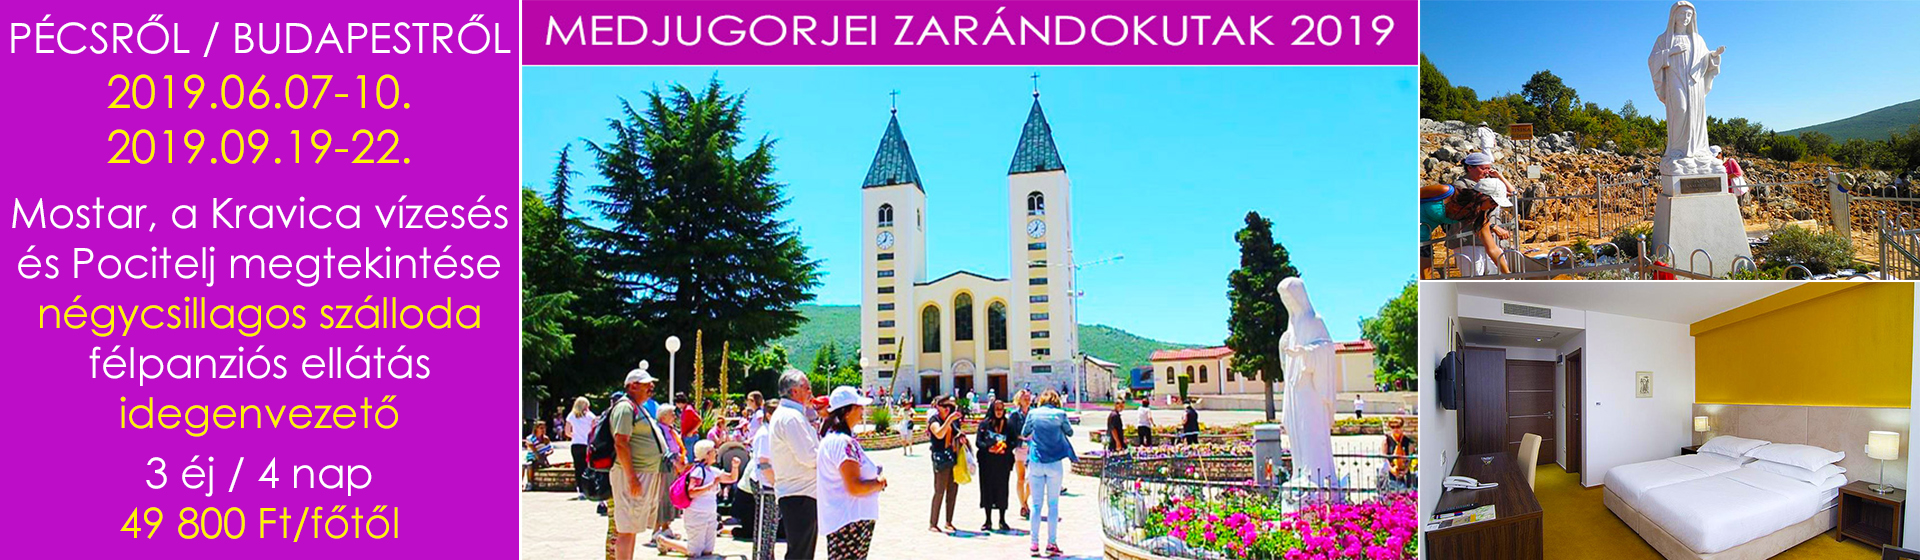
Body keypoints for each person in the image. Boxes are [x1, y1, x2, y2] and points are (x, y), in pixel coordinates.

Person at [610, 365, 677, 560]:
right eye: (647, 385)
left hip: (643, 473)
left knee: (632, 527)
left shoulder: (638, 407)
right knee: (626, 528)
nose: (651, 388)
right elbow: (621, 443)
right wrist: (632, 478)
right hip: (632, 474)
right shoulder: (625, 408)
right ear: (633, 386)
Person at [818, 386, 887, 560]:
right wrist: (879, 483)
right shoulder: (843, 443)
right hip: (850, 523)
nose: (862, 411)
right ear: (847, 411)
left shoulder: (835, 440)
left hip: (849, 521)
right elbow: (854, 486)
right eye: (858, 407)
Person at [769, 368, 822, 560]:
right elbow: (808, 457)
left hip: (800, 493)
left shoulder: (791, 415)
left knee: (801, 552)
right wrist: (829, 457)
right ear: (794, 391)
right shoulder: (791, 417)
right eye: (807, 388)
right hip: (800, 494)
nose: (810, 392)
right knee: (800, 554)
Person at [1022, 390, 1076, 558]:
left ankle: (1034, 544)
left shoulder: (1033, 414)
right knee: (1053, 505)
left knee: (1036, 505)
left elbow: (1025, 432)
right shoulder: (1060, 414)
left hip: (1036, 461)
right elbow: (1070, 432)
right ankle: (1051, 543)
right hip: (1054, 462)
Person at [1443, 152, 1516, 276]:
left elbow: (1512, 193)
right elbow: (1470, 213)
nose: (1487, 171)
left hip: (1489, 237)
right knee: (1474, 274)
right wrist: (1493, 227)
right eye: (1483, 168)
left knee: (1496, 272)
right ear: (1470, 168)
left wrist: (1499, 176)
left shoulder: (1489, 183)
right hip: (1468, 239)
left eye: (1488, 168)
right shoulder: (1460, 186)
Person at [683, 439, 743, 559]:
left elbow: (731, 478)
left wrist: (735, 467)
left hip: (710, 514)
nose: (716, 452)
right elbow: (692, 492)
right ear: (706, 454)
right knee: (695, 552)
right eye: (713, 451)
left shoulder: (713, 471)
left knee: (707, 551)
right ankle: (666, 542)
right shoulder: (698, 471)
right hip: (697, 514)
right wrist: (711, 485)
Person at [976, 399, 1016, 532]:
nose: (999, 412)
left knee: (1002, 489)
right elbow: (978, 442)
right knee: (987, 489)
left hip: (1003, 463)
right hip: (987, 463)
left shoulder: (1008, 425)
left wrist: (1005, 448)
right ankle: (988, 520)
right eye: (996, 409)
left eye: (1001, 409)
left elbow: (1013, 441)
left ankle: (1002, 520)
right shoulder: (985, 424)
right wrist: (989, 448)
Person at [653, 407, 689, 552]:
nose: (675, 416)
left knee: (670, 496)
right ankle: (658, 529)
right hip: (665, 467)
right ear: (663, 416)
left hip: (674, 468)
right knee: (663, 497)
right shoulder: (659, 430)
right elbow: (664, 450)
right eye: (671, 414)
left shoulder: (671, 430)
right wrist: (676, 463)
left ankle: (665, 526)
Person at [926, 395, 962, 533]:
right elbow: (939, 434)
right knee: (939, 490)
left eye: (949, 406)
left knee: (952, 490)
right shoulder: (934, 420)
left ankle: (949, 521)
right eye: (944, 406)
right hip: (940, 458)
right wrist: (949, 420)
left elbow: (956, 434)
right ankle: (933, 523)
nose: (947, 409)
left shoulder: (953, 421)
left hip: (953, 457)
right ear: (937, 407)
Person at [749, 402, 781, 560]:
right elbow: (764, 463)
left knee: (771, 528)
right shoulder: (765, 434)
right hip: (766, 485)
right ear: (769, 415)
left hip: (771, 485)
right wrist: (776, 484)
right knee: (765, 527)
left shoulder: (772, 432)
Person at [1009, 390, 1033, 520]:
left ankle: (1025, 501)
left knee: (1032, 478)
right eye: (1025, 398)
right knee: (1021, 478)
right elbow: (1010, 431)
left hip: (1033, 447)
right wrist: (1021, 437)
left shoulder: (1033, 413)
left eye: (1029, 398)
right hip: (1020, 447)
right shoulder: (1014, 415)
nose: (1027, 401)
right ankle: (1023, 505)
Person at [568, 396, 597, 499]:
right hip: (587, 444)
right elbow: (594, 430)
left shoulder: (571, 416)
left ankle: (580, 490)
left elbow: (567, 432)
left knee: (578, 467)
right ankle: (589, 489)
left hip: (576, 444)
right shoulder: (590, 416)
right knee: (589, 467)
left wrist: (575, 435)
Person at [1383, 417, 1416, 488]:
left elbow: (1410, 458)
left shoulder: (1408, 442)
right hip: (1391, 474)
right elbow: (1385, 458)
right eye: (1393, 427)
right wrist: (1392, 470)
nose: (1395, 429)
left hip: (1405, 474)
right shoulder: (1386, 441)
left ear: (1402, 427)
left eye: (1398, 427)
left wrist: (1405, 470)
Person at [523, 421, 554, 490]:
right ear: (536, 429)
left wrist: (548, 453)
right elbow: (533, 450)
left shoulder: (546, 438)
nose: (543, 430)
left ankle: (530, 483)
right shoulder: (530, 438)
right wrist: (538, 456)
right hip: (532, 457)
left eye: (544, 428)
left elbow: (550, 448)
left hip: (542, 457)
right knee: (527, 464)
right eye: (541, 428)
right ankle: (525, 483)